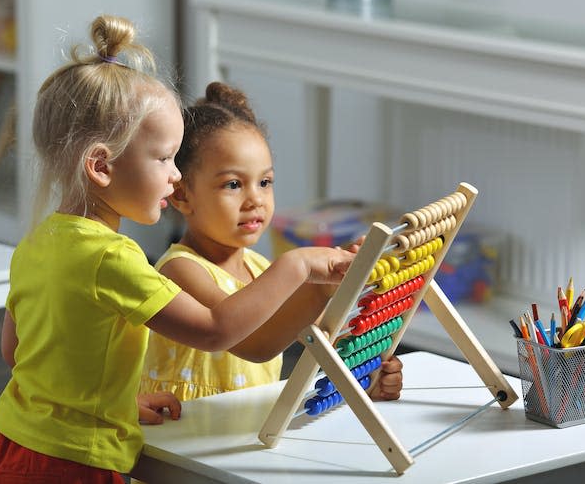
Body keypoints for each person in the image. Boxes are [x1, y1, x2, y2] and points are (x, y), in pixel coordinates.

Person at [0, 15, 355, 484]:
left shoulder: (39, 242)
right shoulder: (112, 258)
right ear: (101, 166)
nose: (175, 175)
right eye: (163, 158)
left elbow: (18, 352)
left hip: (12, 440)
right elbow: (217, 330)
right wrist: (297, 264)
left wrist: (114, 401)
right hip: (71, 463)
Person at [139, 81, 404, 405]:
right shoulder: (180, 271)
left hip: (245, 427)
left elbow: (327, 345)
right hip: (183, 433)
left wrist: (368, 374)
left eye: (265, 182)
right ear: (182, 195)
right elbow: (255, 343)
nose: (255, 200)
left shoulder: (260, 270)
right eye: (233, 184)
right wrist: (303, 271)